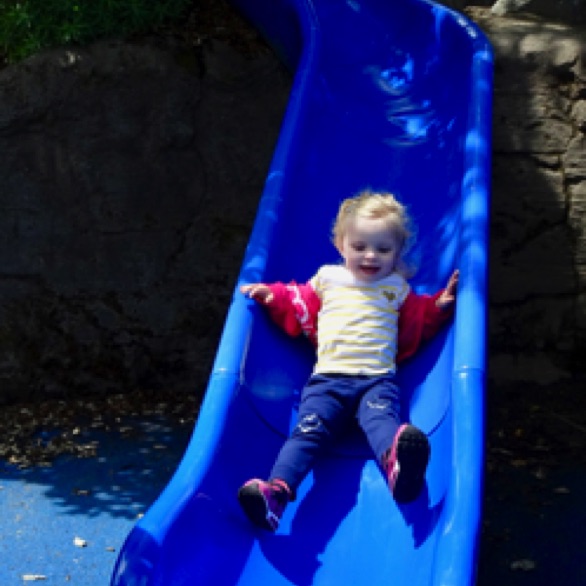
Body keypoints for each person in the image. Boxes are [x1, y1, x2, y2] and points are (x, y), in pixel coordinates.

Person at [237, 189, 459, 531]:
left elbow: (419, 317)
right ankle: (276, 493)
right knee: (306, 434)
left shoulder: (395, 287)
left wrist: (441, 304)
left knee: (383, 424)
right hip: (327, 381)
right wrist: (271, 295)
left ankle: (399, 469)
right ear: (341, 245)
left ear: (397, 252)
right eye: (359, 247)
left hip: (377, 381)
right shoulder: (328, 278)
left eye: (383, 249)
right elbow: (299, 302)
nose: (370, 256)